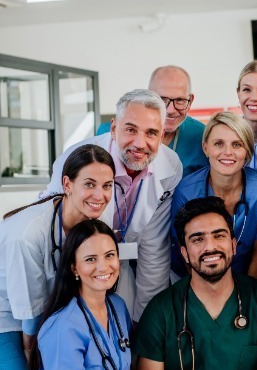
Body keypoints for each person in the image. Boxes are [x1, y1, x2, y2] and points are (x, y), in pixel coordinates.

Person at [0, 144, 116, 370]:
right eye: (90, 184)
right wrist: (32, 353)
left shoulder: (90, 221)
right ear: (67, 184)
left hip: (31, 309)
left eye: (107, 186)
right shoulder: (28, 233)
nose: (100, 195)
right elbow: (29, 308)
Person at [135, 197, 257, 370]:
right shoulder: (161, 311)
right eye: (197, 239)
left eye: (219, 236)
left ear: (233, 245)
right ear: (184, 253)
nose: (210, 247)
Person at [43, 89, 183, 322]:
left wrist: (146, 322)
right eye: (130, 129)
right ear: (114, 128)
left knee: (127, 327)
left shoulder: (170, 166)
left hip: (120, 266)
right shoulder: (77, 159)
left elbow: (154, 247)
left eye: (151, 133)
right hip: (72, 266)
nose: (140, 143)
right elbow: (55, 233)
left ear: (162, 135)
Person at [22, 220, 132, 370]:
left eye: (109, 255)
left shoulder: (117, 306)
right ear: (74, 268)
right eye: (90, 259)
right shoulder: (64, 328)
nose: (103, 266)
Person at [172, 111, 257, 281]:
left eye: (237, 145)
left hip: (248, 278)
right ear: (205, 148)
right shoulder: (186, 192)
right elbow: (186, 254)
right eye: (219, 144)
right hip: (194, 277)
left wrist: (243, 303)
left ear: (247, 151)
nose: (228, 152)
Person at [149, 65, 209, 177]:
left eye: (180, 100)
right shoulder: (114, 135)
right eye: (162, 99)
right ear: (148, 97)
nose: (170, 110)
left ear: (190, 101)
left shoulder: (202, 136)